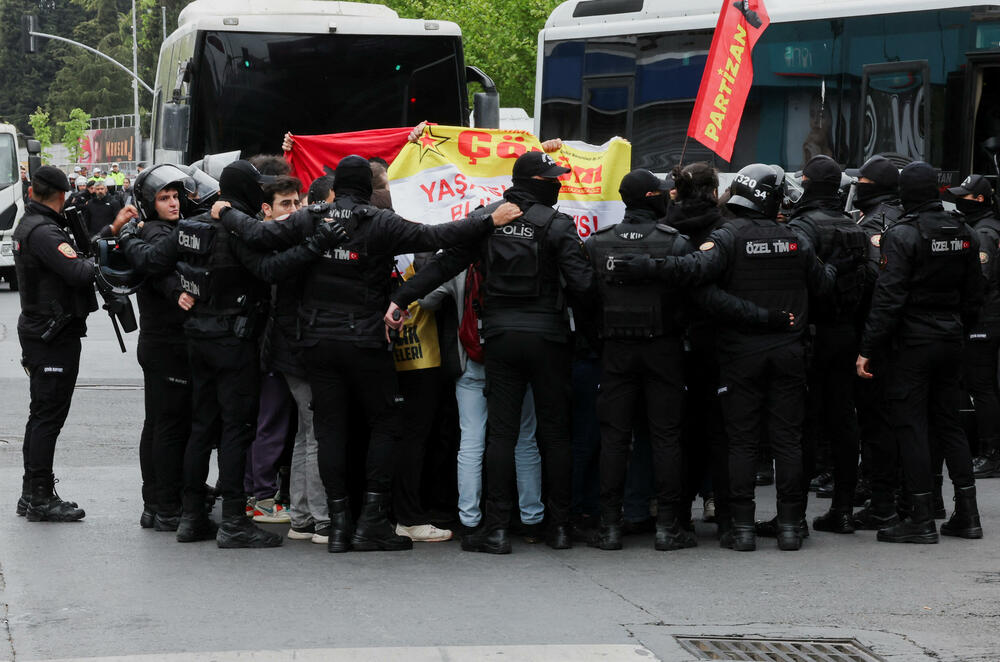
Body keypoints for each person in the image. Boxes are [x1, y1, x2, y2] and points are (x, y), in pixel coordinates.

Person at [213, 154, 522, 553]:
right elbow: (438, 236)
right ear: (370, 189)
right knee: (386, 423)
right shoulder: (381, 222)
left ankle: (338, 526)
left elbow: (259, 236)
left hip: (316, 342)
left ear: (337, 187)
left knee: (329, 430)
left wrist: (226, 213)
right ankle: (373, 520)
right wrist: (487, 219)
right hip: (365, 341)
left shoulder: (312, 217)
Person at [120, 160, 348, 549]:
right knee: (235, 430)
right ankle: (233, 522)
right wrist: (317, 244)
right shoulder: (236, 229)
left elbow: (154, 260)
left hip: (197, 341)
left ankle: (192, 518)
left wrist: (128, 237)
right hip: (233, 341)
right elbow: (271, 268)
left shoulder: (192, 227)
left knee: (201, 428)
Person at [614, 163, 838, 552]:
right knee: (786, 440)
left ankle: (743, 529)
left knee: (741, 441)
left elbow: (692, 270)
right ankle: (788, 527)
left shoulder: (728, 236)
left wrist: (645, 267)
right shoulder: (795, 239)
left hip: (740, 354)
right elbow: (823, 286)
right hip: (788, 351)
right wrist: (841, 265)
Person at [386, 150, 598, 554]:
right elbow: (584, 286)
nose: (558, 183)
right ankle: (558, 527)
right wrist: (590, 332)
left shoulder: (489, 219)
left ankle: (497, 530)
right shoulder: (558, 225)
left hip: (499, 337)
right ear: (536, 182)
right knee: (553, 433)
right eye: (552, 177)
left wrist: (401, 298)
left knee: (500, 433)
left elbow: (442, 267)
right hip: (549, 338)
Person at [857, 161, 985, 544]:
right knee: (949, 424)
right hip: (951, 338)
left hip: (913, 342)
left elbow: (889, 297)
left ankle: (921, 517)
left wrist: (868, 348)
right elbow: (975, 295)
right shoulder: (964, 232)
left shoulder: (903, 235)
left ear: (904, 194)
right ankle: (968, 514)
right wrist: (956, 326)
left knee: (911, 426)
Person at [13, 166, 129, 521]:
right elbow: (78, 270)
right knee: (48, 417)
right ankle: (41, 497)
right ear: (61, 195)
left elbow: (71, 257)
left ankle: (31, 492)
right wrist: (99, 260)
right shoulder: (45, 231)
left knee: (40, 416)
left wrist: (110, 229)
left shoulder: (34, 224)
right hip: (52, 333)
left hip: (43, 329)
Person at [785, 155, 868, 535]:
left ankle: (794, 516)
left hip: (812, 332)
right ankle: (844, 508)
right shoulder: (853, 226)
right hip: (847, 331)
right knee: (842, 419)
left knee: (802, 423)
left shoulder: (802, 225)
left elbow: (803, 281)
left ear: (806, 182)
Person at [126, 164, 197, 531]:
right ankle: (166, 505)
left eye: (175, 196)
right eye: (164, 198)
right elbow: (158, 267)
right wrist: (178, 290)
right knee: (170, 425)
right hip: (166, 342)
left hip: (160, 341)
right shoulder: (156, 232)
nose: (172, 203)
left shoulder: (159, 229)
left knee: (157, 423)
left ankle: (155, 502)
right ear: (150, 204)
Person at [848, 155, 906, 530]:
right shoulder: (906, 217)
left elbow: (873, 285)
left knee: (877, 421)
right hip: (911, 334)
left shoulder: (875, 223)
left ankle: (882, 499)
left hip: (878, 337)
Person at [245, 175, 304, 524]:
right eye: (286, 204)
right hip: (268, 347)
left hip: (265, 345)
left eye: (297, 202)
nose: (294, 210)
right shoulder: (264, 243)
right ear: (266, 208)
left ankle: (256, 491)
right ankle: (262, 497)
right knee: (271, 422)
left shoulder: (263, 237)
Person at [948, 174, 1000, 480]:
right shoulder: (989, 226)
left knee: (981, 387)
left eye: (964, 196)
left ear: (979, 199)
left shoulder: (983, 232)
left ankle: (990, 453)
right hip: (990, 315)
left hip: (984, 318)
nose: (959, 200)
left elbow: (978, 280)